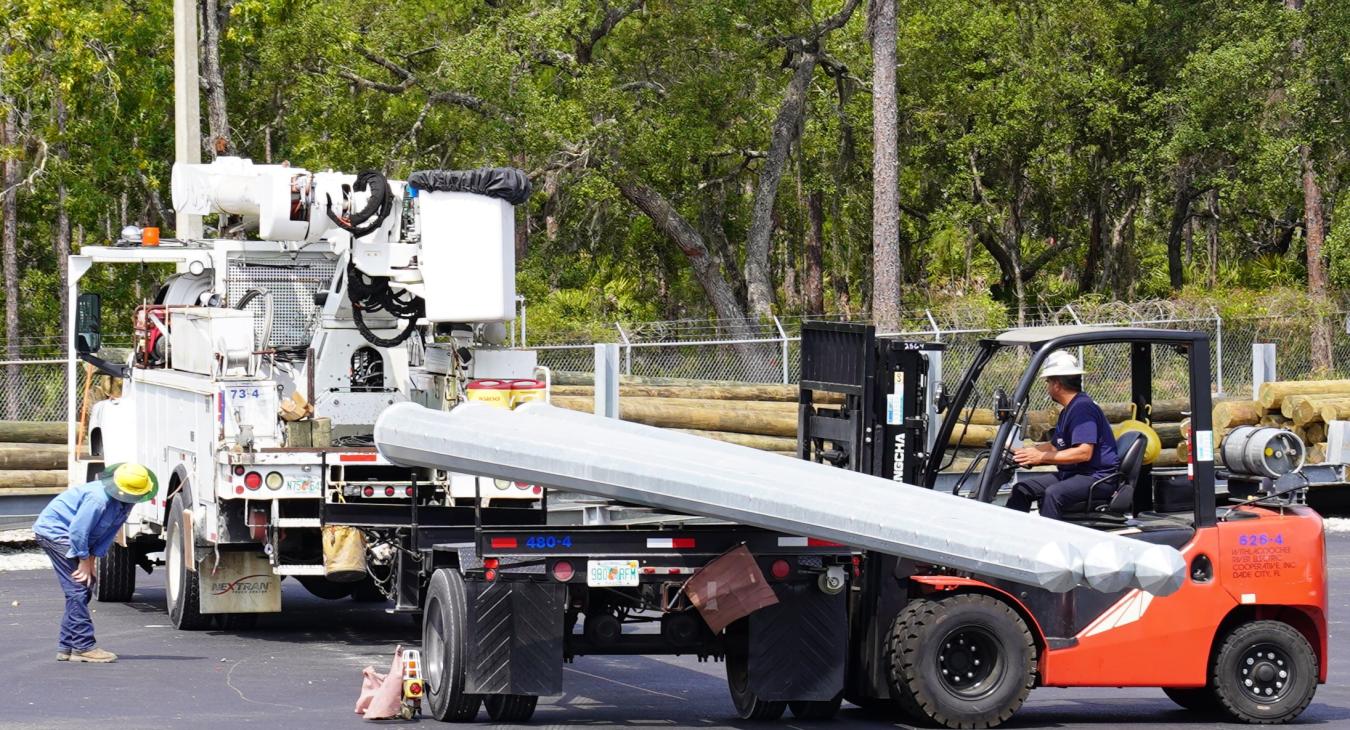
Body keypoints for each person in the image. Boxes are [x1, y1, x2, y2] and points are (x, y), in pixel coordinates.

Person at [32, 463, 158, 663]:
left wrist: (91, 560)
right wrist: (82, 559)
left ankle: (68, 646)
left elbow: (108, 532)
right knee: (77, 589)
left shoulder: (126, 501)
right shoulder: (98, 499)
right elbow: (78, 531)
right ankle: (83, 646)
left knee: (84, 587)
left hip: (75, 539)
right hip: (56, 534)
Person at [1006, 352, 1120, 520]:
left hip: (1096, 478)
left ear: (1057, 384)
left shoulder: (1082, 409)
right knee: (1022, 490)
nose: (1047, 387)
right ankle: (1012, 536)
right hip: (1075, 475)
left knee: (1052, 494)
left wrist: (1041, 457)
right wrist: (1023, 453)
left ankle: (1051, 542)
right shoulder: (1069, 409)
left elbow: (1084, 452)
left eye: (1048, 382)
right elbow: (1055, 445)